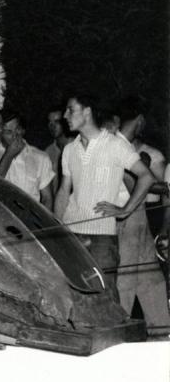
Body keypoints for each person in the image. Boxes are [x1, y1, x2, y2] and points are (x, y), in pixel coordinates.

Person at [54, 94, 156, 306]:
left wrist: (125, 210)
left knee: (104, 300)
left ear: (87, 111)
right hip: (71, 235)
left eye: (71, 110)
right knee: (72, 298)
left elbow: (146, 177)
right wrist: (55, 229)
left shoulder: (115, 145)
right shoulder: (69, 149)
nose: (65, 116)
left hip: (102, 238)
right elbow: (63, 191)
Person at [110, 95, 169, 331]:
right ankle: (119, 335)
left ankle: (162, 332)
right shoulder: (119, 145)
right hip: (126, 219)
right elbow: (137, 184)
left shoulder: (121, 144)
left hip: (140, 216)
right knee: (125, 281)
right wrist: (164, 187)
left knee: (151, 279)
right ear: (140, 120)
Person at [0, 109, 55, 207]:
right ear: (1, 133)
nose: (15, 136)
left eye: (17, 129)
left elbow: (47, 198)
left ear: (23, 130)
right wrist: (9, 155)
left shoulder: (41, 157)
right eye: (8, 132)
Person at [45, 106, 73, 179]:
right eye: (50, 122)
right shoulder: (48, 152)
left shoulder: (75, 145)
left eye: (57, 122)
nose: (52, 126)